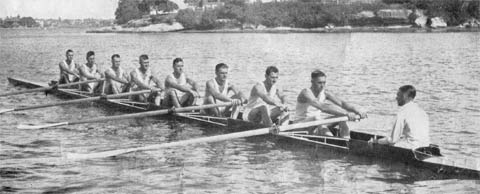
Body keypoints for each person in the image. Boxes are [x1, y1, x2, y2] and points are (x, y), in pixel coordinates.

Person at [294, 70, 367, 138]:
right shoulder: (306, 92)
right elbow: (323, 107)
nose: (322, 85)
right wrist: (346, 113)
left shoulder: (325, 93)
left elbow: (342, 103)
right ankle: (333, 140)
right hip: (300, 126)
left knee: (341, 118)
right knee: (317, 118)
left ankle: (346, 141)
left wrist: (357, 111)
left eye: (324, 82)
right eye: (319, 83)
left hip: (316, 124)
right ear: (312, 82)